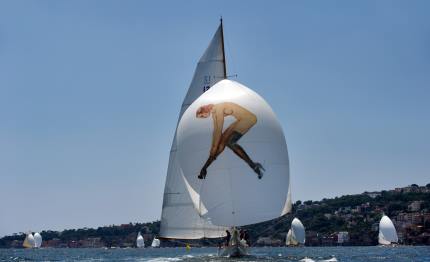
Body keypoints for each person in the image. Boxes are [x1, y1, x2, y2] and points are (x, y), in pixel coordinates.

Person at [196, 102, 265, 179]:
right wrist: (212, 154)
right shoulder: (214, 114)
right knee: (223, 143)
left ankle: (253, 166)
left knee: (229, 142)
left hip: (248, 118)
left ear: (204, 110)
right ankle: (205, 168)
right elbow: (216, 133)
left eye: (202, 116)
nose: (203, 117)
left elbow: (218, 131)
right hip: (241, 119)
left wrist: (213, 151)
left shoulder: (218, 109)